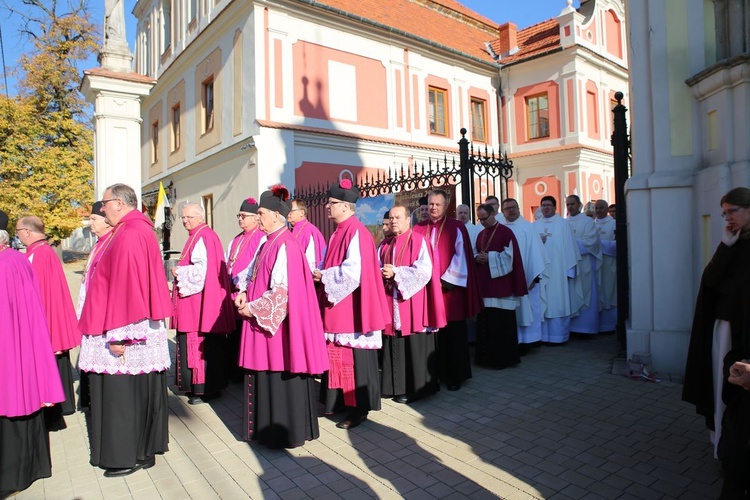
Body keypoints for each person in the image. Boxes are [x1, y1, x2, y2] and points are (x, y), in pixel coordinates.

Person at [78, 183, 172, 477]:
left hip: (126, 328)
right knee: (138, 394)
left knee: (123, 396)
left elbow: (126, 287)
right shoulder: (133, 229)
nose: (102, 209)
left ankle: (126, 456)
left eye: (104, 203)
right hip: (129, 325)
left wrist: (120, 334)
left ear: (118, 202)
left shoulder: (130, 233)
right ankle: (143, 452)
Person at [234, 186, 329, 448]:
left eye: (261, 213)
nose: (258, 217)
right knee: (266, 374)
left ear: (276, 215)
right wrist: (243, 292)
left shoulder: (285, 244)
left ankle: (284, 433)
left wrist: (252, 309)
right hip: (261, 322)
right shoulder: (267, 241)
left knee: (278, 374)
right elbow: (252, 274)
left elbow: (282, 293)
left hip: (278, 330)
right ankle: (266, 431)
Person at [683, 187, 750, 497]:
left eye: (732, 211)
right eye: (724, 213)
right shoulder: (732, 243)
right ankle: (722, 445)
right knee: (723, 387)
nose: (728, 218)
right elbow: (709, 281)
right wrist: (725, 245)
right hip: (727, 329)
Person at [314, 179, 390, 429]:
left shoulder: (355, 231)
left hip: (353, 307)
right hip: (339, 303)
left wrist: (324, 275)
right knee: (337, 355)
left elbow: (353, 272)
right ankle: (338, 403)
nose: (327, 206)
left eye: (332, 203)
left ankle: (358, 409)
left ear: (346, 207)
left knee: (352, 359)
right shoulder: (338, 231)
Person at [0, 225, 65, 497]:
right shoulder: (17, 259)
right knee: (25, 404)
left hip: (9, 348)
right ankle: (35, 466)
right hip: (22, 346)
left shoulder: (5, 266)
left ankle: (13, 477)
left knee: (13, 404)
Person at [413, 189, 483, 391]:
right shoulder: (418, 229)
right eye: (431, 204)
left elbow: (460, 257)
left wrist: (446, 282)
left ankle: (455, 376)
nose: (433, 208)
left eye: (437, 204)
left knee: (453, 334)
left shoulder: (456, 227)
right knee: (433, 336)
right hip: (426, 291)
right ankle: (434, 374)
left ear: (445, 206)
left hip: (448, 292)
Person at [15, 215, 81, 429]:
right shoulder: (46, 250)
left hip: (44, 319)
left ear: (27, 231)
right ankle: (66, 404)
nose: (18, 236)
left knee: (50, 363)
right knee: (59, 360)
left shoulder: (37, 255)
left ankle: (57, 408)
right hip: (52, 316)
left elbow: (34, 294)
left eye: (17, 232)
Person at [380, 205, 446, 403]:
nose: (393, 221)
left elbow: (424, 271)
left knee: (412, 344)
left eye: (397, 217)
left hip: (412, 301)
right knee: (395, 342)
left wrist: (397, 273)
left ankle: (417, 389)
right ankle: (394, 385)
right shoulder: (385, 244)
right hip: (390, 300)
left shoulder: (419, 241)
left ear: (408, 220)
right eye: (390, 218)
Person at [171, 204, 235, 405]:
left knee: (198, 342)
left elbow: (201, 272)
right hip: (196, 300)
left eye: (189, 216)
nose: (184, 220)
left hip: (199, 302)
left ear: (200, 217)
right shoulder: (197, 235)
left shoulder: (203, 236)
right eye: (182, 217)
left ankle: (204, 388)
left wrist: (178, 272)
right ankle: (197, 386)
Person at [473, 204, 527, 369]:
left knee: (501, 324)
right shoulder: (481, 234)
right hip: (485, 285)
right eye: (479, 219)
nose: (482, 222)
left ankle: (503, 359)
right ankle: (485, 359)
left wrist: (489, 257)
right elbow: (475, 252)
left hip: (501, 286)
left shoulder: (505, 232)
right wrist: (477, 258)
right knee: (486, 324)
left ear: (493, 214)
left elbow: (510, 257)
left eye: (484, 218)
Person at [75, 202, 114, 410]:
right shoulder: (99, 243)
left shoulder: (111, 243)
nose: (90, 223)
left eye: (93, 219)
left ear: (106, 221)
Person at [225, 198, 265, 382]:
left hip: (247, 292)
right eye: (239, 216)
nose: (240, 219)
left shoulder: (261, 237)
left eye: (244, 216)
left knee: (245, 333)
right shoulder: (236, 239)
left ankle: (244, 371)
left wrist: (239, 282)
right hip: (232, 292)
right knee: (233, 334)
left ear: (256, 218)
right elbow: (228, 260)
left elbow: (254, 265)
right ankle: (233, 371)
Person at [501, 198, 548, 352]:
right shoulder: (500, 228)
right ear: (503, 211)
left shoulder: (528, 227)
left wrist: (534, 277)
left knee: (529, 308)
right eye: (507, 208)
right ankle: (514, 341)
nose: (511, 210)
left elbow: (537, 252)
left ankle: (529, 340)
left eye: (513, 207)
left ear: (519, 208)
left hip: (528, 277)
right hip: (507, 278)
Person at [533, 196, 581, 344]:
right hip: (541, 270)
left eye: (549, 205)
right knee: (542, 301)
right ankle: (541, 336)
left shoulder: (563, 224)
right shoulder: (534, 225)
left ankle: (558, 336)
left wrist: (569, 271)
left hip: (558, 271)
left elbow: (570, 248)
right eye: (543, 205)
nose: (546, 208)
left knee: (557, 301)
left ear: (555, 207)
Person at [566, 195, 602, 335]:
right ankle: (572, 328)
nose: (570, 207)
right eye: (568, 204)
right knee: (571, 293)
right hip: (570, 265)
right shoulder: (564, 222)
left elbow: (591, 242)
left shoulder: (587, 221)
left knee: (587, 293)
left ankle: (587, 328)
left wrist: (570, 247)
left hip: (584, 264)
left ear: (579, 205)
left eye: (572, 204)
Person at [594, 199, 617, 332]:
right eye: (596, 208)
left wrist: (598, 245)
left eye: (601, 208)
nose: (598, 211)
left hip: (609, 265)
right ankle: (598, 325)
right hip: (596, 266)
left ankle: (611, 326)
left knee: (610, 292)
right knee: (598, 293)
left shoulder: (613, 224)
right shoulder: (591, 225)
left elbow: (616, 246)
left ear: (607, 209)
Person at [288, 198, 327, 272]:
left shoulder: (310, 231)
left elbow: (311, 260)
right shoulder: (289, 230)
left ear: (302, 213)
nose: (288, 213)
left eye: (291, 210)